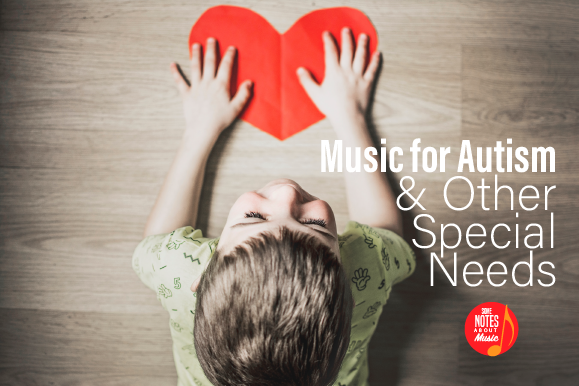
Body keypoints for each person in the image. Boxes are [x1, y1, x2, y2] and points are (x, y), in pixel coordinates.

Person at [132, 27, 416, 386]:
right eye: (314, 226)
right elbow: (386, 234)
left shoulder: (178, 271)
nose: (286, 193)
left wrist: (199, 130)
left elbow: (156, 241)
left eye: (254, 218)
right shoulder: (362, 275)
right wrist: (350, 115)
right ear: (348, 284)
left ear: (200, 279)